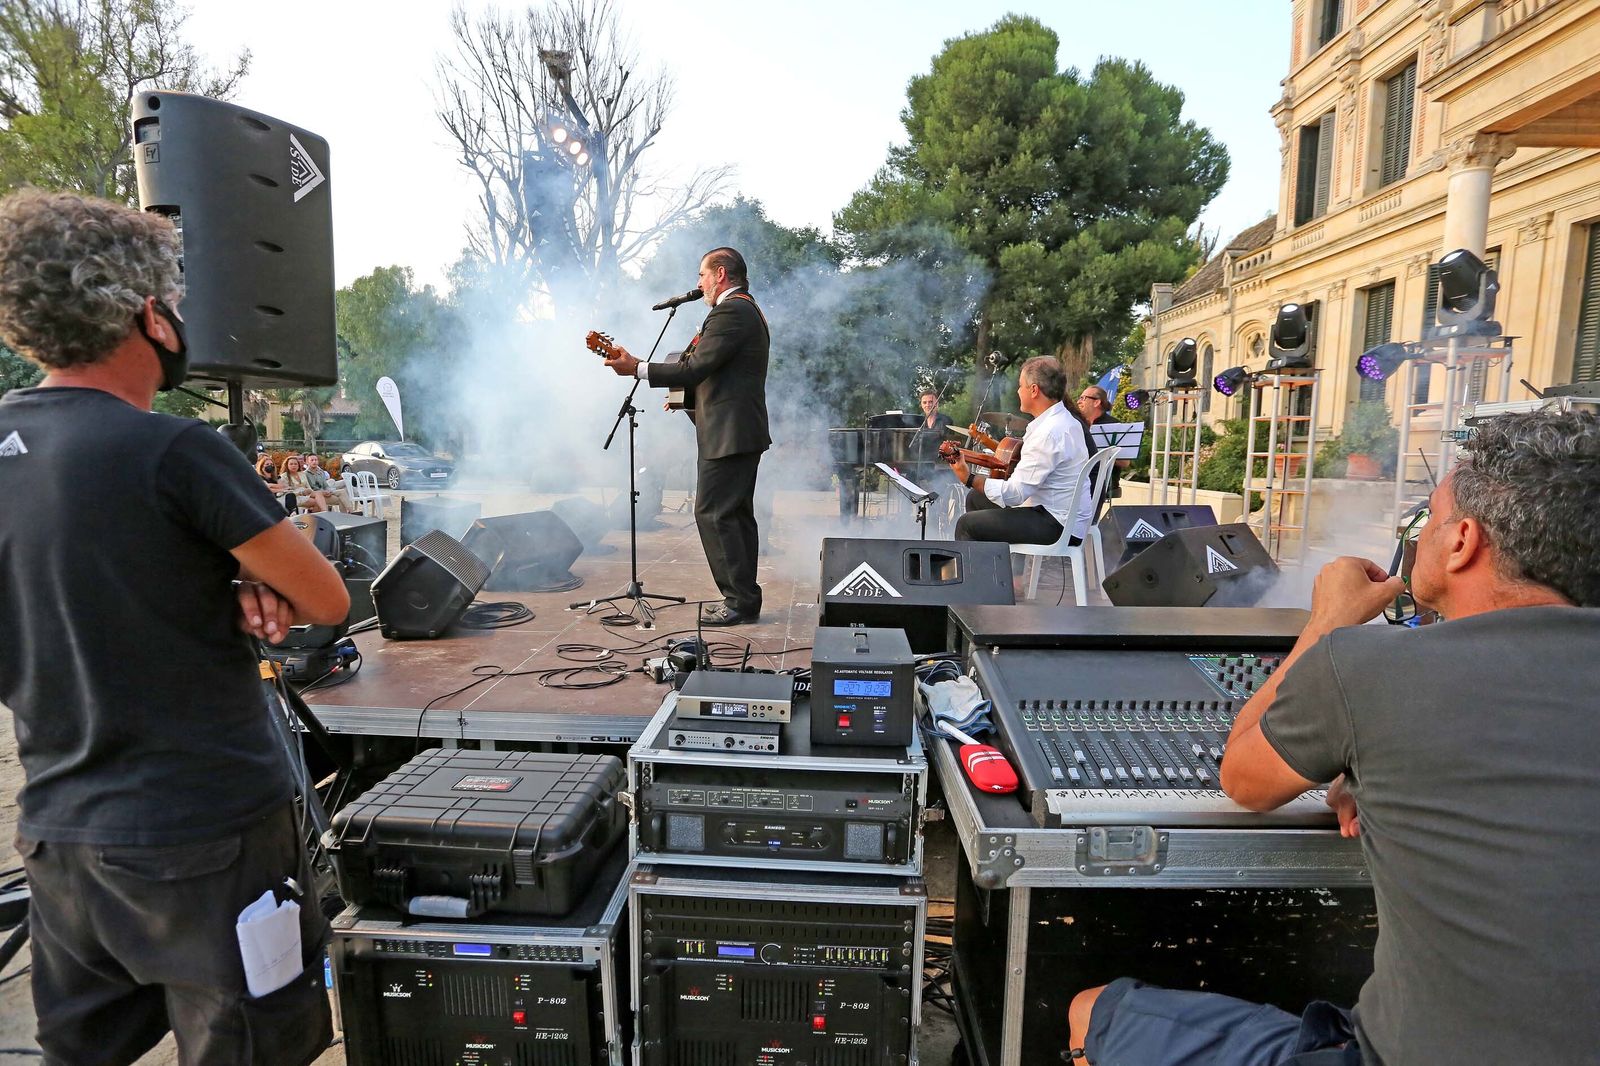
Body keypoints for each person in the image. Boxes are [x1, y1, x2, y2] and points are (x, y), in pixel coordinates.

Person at [1066, 408, 1600, 1066]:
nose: (1422, 536)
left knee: (1093, 1011)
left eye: (1430, 521)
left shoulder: (1373, 671)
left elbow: (1245, 777)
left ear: (1462, 541)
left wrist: (1328, 623)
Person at [0, 189, 350, 1065]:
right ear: (148, 314)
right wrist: (244, 578)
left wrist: (196, 583)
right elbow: (327, 601)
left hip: (62, 841)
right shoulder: (172, 451)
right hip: (208, 838)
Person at [602, 247, 770, 626]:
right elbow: (719, 374)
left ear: (721, 274)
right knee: (735, 517)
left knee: (713, 513)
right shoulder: (746, 310)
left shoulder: (731, 310)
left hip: (729, 434)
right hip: (737, 431)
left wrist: (637, 369)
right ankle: (745, 598)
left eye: (702, 275)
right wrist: (686, 397)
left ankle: (738, 601)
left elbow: (695, 367)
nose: (698, 284)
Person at [949, 356, 1093, 549]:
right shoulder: (1064, 420)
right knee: (976, 499)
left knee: (966, 525)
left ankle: (983, 578)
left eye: (1020, 386)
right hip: (1064, 516)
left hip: (1057, 524)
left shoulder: (1049, 433)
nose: (1018, 391)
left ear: (1034, 390)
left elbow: (1016, 494)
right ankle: (1011, 575)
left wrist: (969, 478)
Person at [1076, 384, 1130, 504]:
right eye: (1079, 398)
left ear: (1096, 402)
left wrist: (1099, 453)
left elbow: (1125, 462)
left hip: (1104, 482)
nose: (1079, 402)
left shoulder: (1114, 426)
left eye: (1083, 398)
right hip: (1079, 480)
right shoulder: (1076, 424)